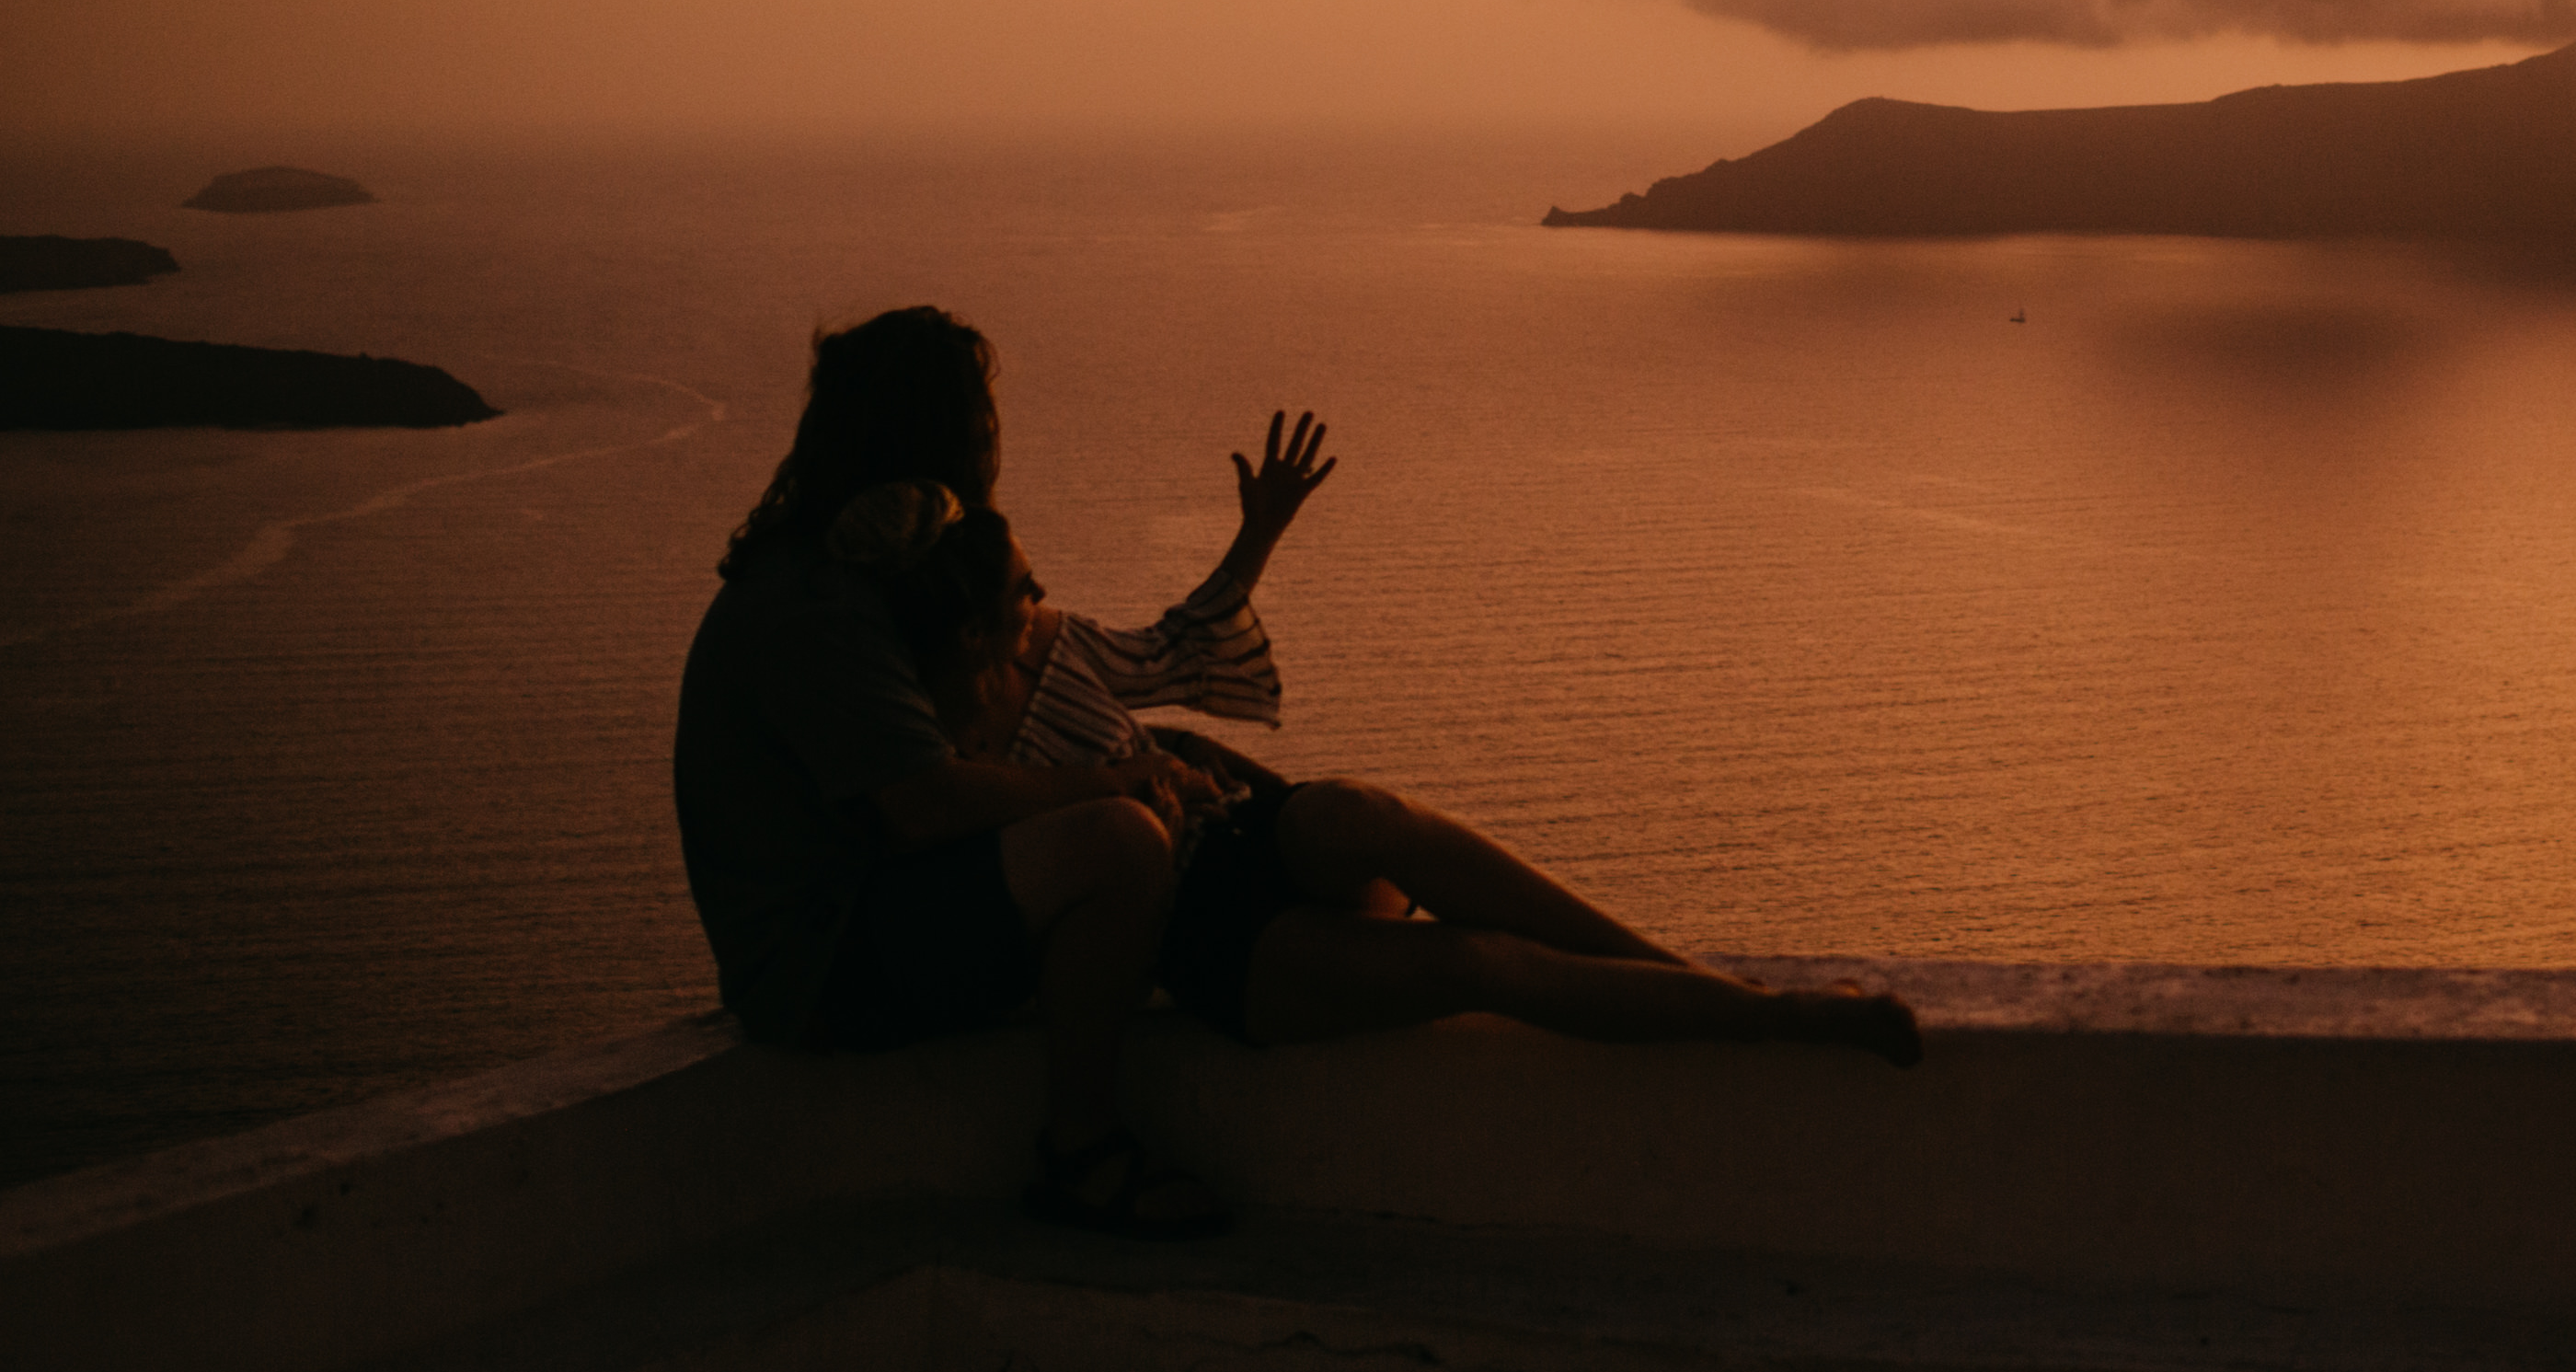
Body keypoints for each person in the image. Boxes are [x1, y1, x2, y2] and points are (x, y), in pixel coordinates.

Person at [671, 305, 1914, 1242]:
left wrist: (1173, 736)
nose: (1000, 441)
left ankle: (1682, 972)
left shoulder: (932, 579)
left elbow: (1139, 658)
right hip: (847, 953)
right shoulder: (826, 608)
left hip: (1191, 847)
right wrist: (1131, 793)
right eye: (979, 417)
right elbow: (926, 807)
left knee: (1367, 814)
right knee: (1455, 961)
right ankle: (1080, 1149)